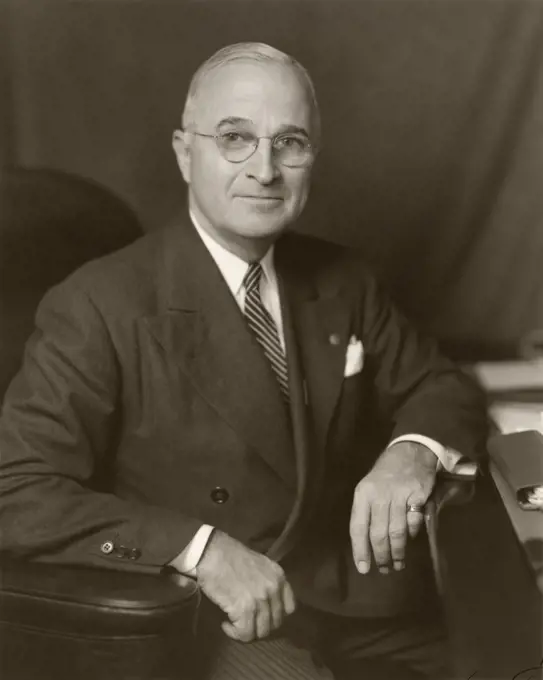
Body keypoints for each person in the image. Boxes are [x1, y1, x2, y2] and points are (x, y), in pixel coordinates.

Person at [0, 43, 488, 679]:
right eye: (235, 138)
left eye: (290, 143)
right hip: (219, 617)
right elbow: (15, 490)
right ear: (184, 153)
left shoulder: (344, 280)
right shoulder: (98, 304)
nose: (265, 170)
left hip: (366, 603)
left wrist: (412, 453)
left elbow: (441, 387)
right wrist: (200, 550)